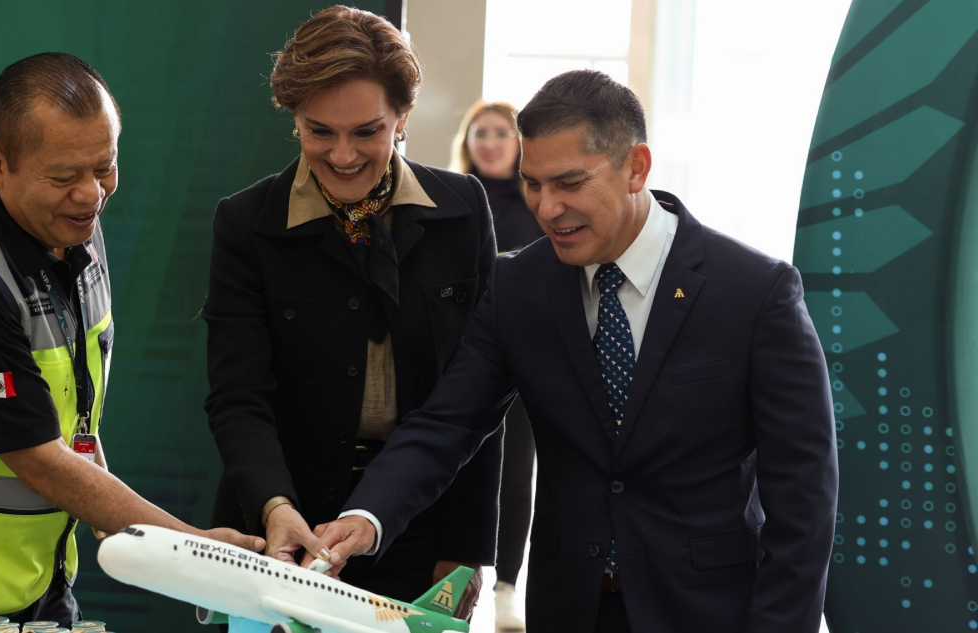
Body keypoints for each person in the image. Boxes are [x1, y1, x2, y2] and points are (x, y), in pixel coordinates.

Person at [309, 70, 839, 633]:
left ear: (636, 167)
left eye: (568, 183)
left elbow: (804, 499)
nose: (546, 208)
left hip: (707, 611)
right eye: (533, 184)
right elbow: (448, 422)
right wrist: (366, 516)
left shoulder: (754, 293)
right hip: (569, 609)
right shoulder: (518, 287)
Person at [0, 53, 262, 624]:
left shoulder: (75, 232)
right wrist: (192, 549)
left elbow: (74, 412)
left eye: (105, 167)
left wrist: (116, 517)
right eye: (65, 177)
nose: (91, 195)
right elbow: (38, 460)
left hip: (42, 572)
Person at [202, 5, 501, 619]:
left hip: (422, 521)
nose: (342, 155)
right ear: (293, 118)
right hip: (282, 527)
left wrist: (467, 547)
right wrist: (274, 506)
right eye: (320, 131)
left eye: (367, 132)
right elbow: (238, 397)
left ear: (403, 118)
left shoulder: (463, 210)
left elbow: (478, 394)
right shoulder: (246, 224)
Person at [450, 99, 543, 632]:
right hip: (465, 357)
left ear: (519, 143)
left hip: (527, 356)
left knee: (516, 470)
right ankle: (458, 576)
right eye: (479, 132)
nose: (489, 142)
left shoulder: (538, 203)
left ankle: (507, 587)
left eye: (501, 132)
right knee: (458, 464)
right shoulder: (452, 202)